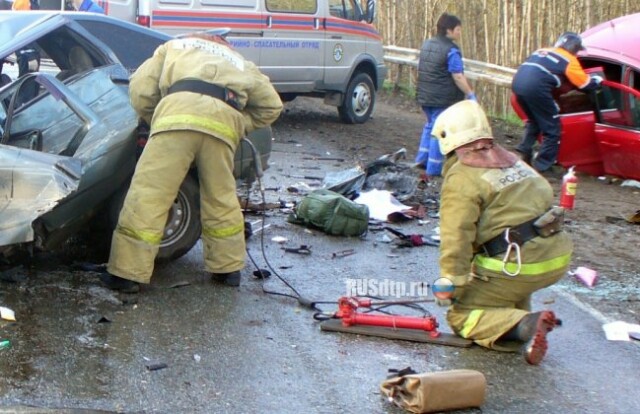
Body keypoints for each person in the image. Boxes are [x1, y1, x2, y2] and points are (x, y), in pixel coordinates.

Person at [100, 31, 283, 293]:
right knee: (221, 197)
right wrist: (239, 124)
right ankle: (228, 270)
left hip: (176, 116)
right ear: (223, 45)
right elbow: (271, 106)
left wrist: (157, 119)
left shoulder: (174, 46)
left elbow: (141, 88)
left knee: (150, 195)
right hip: (222, 126)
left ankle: (127, 275)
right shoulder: (240, 62)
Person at [432, 100, 573, 365]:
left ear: (447, 138)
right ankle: (522, 318)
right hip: (555, 256)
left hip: (520, 264)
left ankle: (522, 324)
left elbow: (456, 238)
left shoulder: (462, 176)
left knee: (462, 315)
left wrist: (451, 286)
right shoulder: (513, 161)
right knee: (504, 290)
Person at [512, 32, 602, 173]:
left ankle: (523, 151)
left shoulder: (542, 51)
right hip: (537, 89)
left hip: (518, 85)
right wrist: (597, 81)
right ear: (574, 49)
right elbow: (585, 84)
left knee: (534, 120)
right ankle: (543, 166)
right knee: (552, 128)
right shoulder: (569, 60)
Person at [415, 13, 475, 177]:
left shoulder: (427, 44)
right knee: (439, 131)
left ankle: (422, 159)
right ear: (449, 30)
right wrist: (470, 93)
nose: (460, 33)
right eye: (458, 29)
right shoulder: (451, 50)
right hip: (442, 98)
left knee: (429, 126)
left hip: (425, 95)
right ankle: (434, 168)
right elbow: (457, 76)